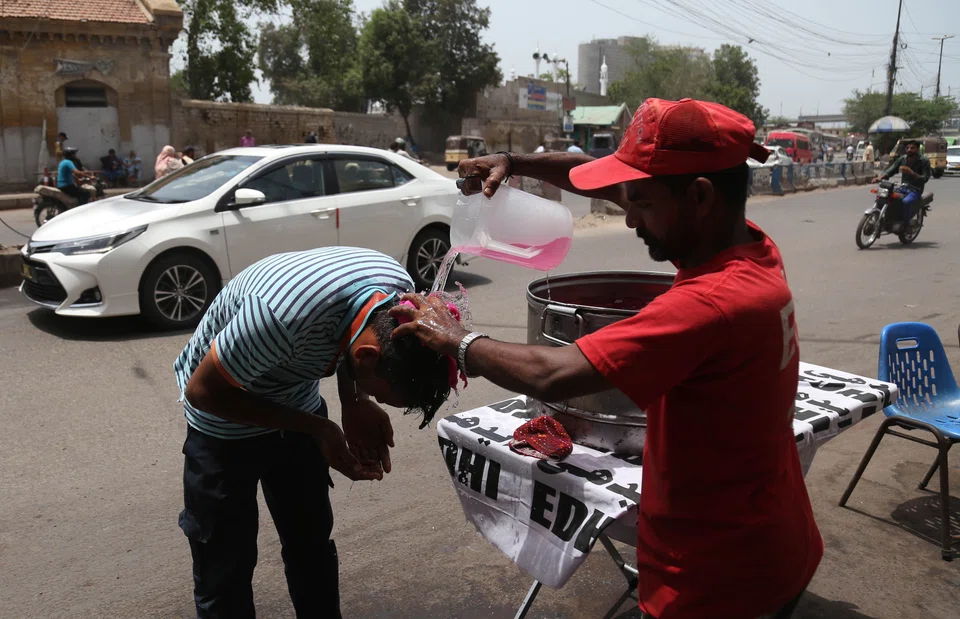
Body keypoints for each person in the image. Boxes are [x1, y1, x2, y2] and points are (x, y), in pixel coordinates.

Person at [395, 98, 822, 619]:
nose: (627, 218)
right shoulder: (748, 248)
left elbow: (552, 374)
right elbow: (601, 180)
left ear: (701, 196)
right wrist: (517, 163)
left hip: (717, 580)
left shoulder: (708, 304)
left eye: (639, 203)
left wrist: (454, 337)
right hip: (773, 539)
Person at [173, 246, 454, 618]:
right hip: (223, 415)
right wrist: (319, 427)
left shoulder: (396, 296)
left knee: (311, 546)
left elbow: (351, 332)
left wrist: (354, 403)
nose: (377, 401)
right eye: (379, 396)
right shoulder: (277, 320)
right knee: (225, 567)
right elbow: (203, 392)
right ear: (366, 357)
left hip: (295, 402)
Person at [872, 139, 931, 227]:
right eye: (907, 148)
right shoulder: (902, 158)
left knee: (906, 202)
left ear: (917, 149)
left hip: (915, 189)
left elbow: (925, 178)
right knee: (884, 196)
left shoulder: (924, 160)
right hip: (902, 187)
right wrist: (880, 177)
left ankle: (905, 224)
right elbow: (891, 169)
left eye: (912, 148)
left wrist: (911, 172)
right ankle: (883, 218)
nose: (909, 150)